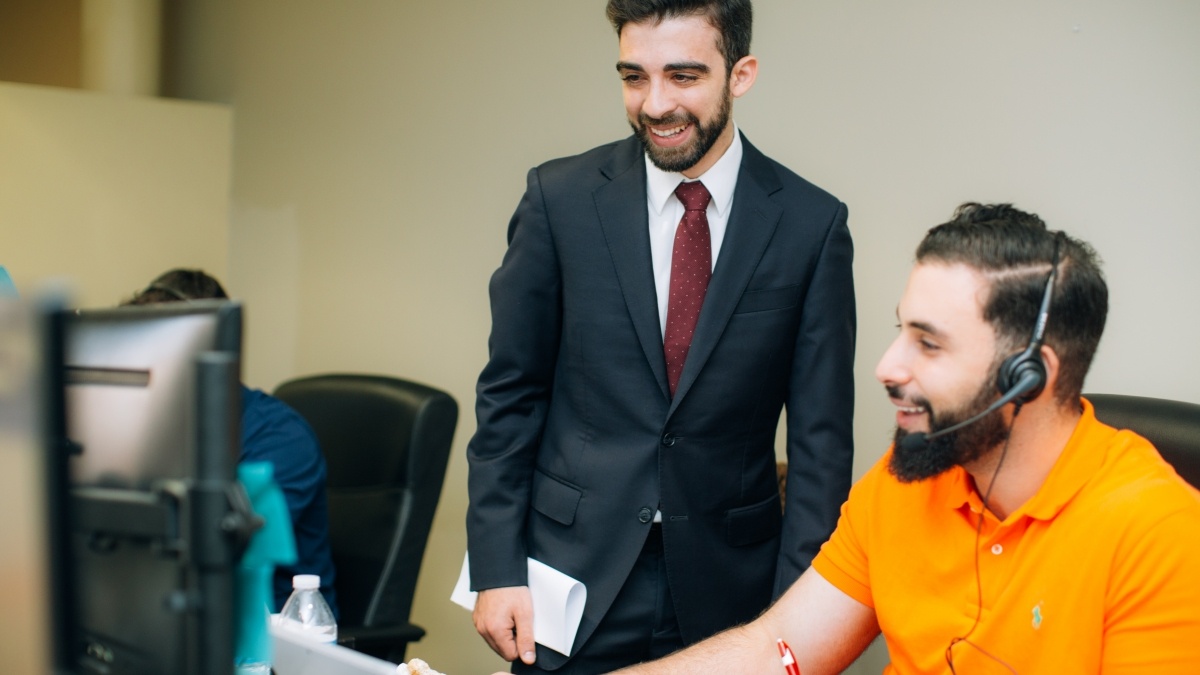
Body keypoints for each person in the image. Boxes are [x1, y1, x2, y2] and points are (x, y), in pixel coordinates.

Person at [602, 203, 1200, 674]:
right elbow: (772, 650)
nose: (888, 367)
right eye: (900, 332)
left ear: (1029, 377)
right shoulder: (907, 477)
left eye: (929, 343)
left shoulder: (1159, 534)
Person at [466, 1, 855, 672]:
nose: (655, 103)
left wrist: (795, 614)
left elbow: (821, 445)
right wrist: (496, 566)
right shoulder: (558, 201)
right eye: (634, 77)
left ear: (742, 74)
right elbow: (510, 394)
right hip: (567, 581)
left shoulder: (810, 225)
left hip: (732, 592)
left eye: (683, 76)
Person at [124, 268, 339, 615]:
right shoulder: (153, 428)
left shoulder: (281, 438)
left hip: (271, 646)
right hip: (176, 619)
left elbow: (218, 546)